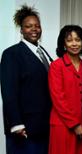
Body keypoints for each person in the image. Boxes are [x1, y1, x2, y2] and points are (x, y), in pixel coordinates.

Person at [0, 5, 52, 154]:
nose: (34, 29)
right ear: (21, 30)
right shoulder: (12, 54)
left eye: (37, 26)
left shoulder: (43, 52)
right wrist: (16, 124)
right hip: (24, 129)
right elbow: (8, 91)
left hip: (43, 126)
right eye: (28, 26)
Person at [48, 25, 82, 154]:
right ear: (63, 43)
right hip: (63, 126)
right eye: (69, 40)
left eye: (78, 40)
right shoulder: (56, 66)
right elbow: (58, 99)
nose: (74, 43)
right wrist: (75, 125)